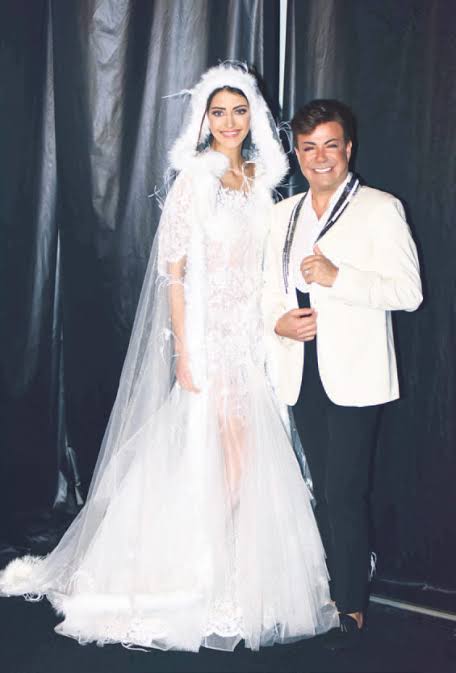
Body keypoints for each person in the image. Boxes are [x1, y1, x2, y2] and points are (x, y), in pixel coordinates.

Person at [0, 64, 338, 652]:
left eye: (238, 111)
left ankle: (235, 560)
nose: (229, 122)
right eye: (218, 112)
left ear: (253, 115)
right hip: (208, 336)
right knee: (218, 444)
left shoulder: (261, 181)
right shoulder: (194, 183)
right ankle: (207, 565)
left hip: (251, 337)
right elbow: (174, 274)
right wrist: (185, 348)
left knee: (245, 448)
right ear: (203, 119)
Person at [263, 99, 422, 649]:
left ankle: (351, 606)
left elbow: (409, 292)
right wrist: (278, 323)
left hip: (355, 374)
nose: (320, 157)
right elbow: (266, 291)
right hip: (299, 370)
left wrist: (339, 277)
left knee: (343, 491)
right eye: (308, 147)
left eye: (330, 145)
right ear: (297, 153)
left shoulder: (380, 208)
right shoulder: (282, 215)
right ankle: (331, 585)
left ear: (348, 149)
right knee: (320, 491)